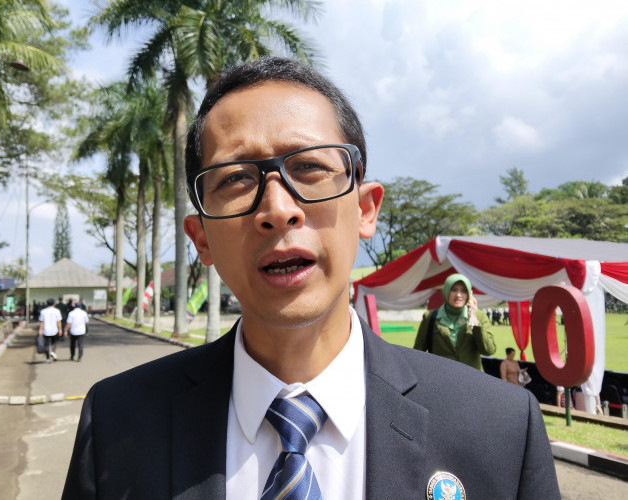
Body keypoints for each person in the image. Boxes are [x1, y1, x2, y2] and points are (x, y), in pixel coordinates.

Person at [62, 57, 559, 499]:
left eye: (308, 167)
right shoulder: (118, 424)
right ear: (201, 238)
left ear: (366, 209)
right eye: (236, 178)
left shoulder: (499, 427)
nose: (278, 209)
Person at [413, 273, 496, 371]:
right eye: (454, 289)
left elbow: (489, 350)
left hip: (471, 378)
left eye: (464, 291)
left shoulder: (479, 316)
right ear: (446, 291)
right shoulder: (430, 317)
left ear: (469, 295)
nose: (458, 295)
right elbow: (417, 353)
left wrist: (474, 321)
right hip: (440, 377)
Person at [38, 298, 61, 363]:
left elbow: (42, 322)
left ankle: (48, 358)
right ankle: (53, 352)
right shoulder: (57, 311)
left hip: (46, 330)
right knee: (54, 342)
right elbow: (59, 321)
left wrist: (40, 330)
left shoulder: (43, 311)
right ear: (53, 303)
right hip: (54, 330)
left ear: (47, 303)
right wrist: (60, 329)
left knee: (46, 344)